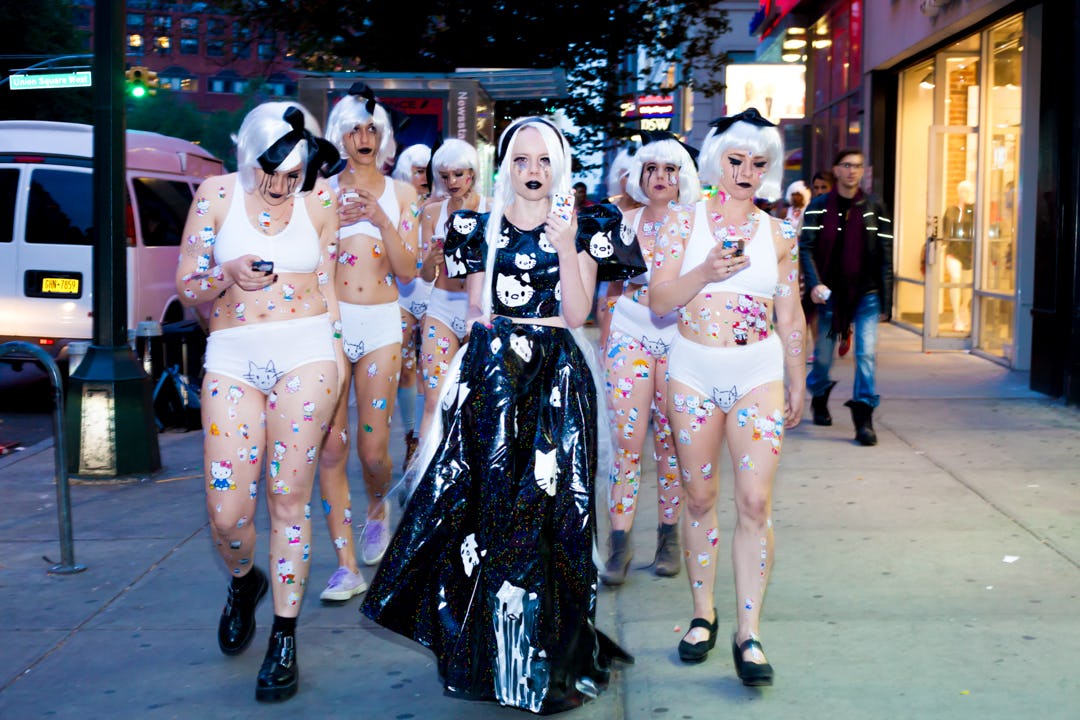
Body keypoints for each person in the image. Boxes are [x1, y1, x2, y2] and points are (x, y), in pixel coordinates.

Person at [361, 116, 644, 714]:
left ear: (559, 166)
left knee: (557, 519)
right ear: (506, 166)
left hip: (558, 380)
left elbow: (577, 314)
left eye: (544, 161)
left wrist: (566, 243)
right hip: (494, 382)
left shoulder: (587, 225)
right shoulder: (476, 227)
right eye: (521, 160)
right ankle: (494, 657)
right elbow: (474, 310)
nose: (532, 171)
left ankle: (550, 659)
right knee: (490, 518)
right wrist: (473, 358)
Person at [175, 101, 345, 701]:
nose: (282, 186)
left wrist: (338, 369)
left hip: (307, 354)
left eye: (294, 174)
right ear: (249, 157)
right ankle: (245, 580)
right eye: (272, 173)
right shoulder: (216, 195)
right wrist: (228, 270)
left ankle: (284, 635)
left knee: (289, 497)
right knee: (228, 514)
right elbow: (188, 285)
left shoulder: (321, 201)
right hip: (233, 357)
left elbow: (330, 290)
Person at [649, 107, 806, 687]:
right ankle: (702, 615)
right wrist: (706, 273)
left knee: (755, 503)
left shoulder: (780, 233)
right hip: (692, 371)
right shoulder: (680, 222)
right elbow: (660, 301)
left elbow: (790, 314)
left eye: (758, 163)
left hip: (757, 373)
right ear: (718, 160)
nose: (745, 172)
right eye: (736, 160)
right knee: (698, 498)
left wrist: (798, 376)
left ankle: (749, 633)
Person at [317, 83, 420, 602]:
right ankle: (345, 565)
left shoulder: (403, 196)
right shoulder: (319, 192)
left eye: (372, 129)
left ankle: (378, 508)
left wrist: (380, 218)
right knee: (331, 446)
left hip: (381, 324)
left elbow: (410, 270)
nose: (364, 137)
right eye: (354, 129)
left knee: (373, 450)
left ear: (383, 137)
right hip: (330, 326)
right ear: (340, 135)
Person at [599, 133, 702, 586]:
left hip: (679, 336)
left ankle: (667, 539)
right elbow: (611, 287)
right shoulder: (624, 220)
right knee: (626, 441)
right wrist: (606, 341)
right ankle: (619, 543)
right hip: (630, 332)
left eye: (669, 169)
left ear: (682, 176)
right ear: (639, 175)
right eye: (651, 169)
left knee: (671, 443)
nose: (660, 177)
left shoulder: (696, 224)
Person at [800, 147, 893, 446]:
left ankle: (863, 417)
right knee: (823, 357)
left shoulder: (875, 207)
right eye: (847, 165)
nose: (852, 171)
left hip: (866, 294)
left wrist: (887, 300)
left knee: (865, 354)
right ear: (837, 170)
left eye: (858, 166)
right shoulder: (818, 207)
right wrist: (814, 284)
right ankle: (819, 393)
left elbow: (885, 254)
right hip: (830, 296)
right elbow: (806, 248)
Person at [415, 138, 489, 442]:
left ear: (472, 173)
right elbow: (425, 275)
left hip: (480, 310)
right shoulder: (432, 213)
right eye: (445, 176)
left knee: (476, 401)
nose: (452, 182)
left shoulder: (492, 210)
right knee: (434, 400)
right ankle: (425, 468)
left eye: (458, 174)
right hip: (442, 307)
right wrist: (430, 261)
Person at [392, 143, 435, 469]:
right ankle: (411, 438)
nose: (423, 176)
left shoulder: (442, 203)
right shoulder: (395, 203)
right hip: (403, 292)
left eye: (427, 170)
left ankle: (427, 438)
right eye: (418, 170)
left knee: (427, 369)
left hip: (436, 293)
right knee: (405, 368)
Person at [597, 148, 643, 348]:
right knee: (607, 338)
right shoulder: (610, 210)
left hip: (640, 284)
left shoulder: (649, 210)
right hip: (610, 280)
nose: (631, 181)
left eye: (636, 174)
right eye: (627, 175)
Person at [942, 179, 975, 332]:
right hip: (953, 251)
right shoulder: (951, 210)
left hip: (969, 253)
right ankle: (956, 317)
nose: (965, 194)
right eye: (963, 191)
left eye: (968, 191)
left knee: (967, 287)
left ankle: (963, 308)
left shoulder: (974, 211)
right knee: (955, 279)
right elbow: (944, 229)